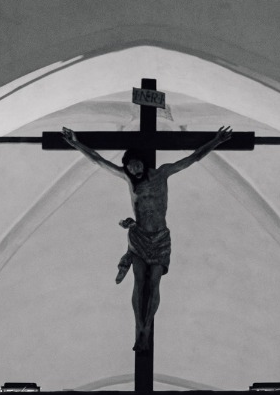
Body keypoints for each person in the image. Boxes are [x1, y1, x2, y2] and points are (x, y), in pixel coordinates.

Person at [60, 122, 233, 349]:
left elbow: (193, 158)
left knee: (154, 281)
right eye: (130, 168)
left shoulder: (163, 173)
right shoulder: (129, 179)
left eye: (136, 165)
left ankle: (147, 325)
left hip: (160, 237)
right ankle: (138, 328)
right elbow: (98, 160)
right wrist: (76, 143)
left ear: (142, 161)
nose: (135, 170)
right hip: (140, 236)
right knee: (140, 281)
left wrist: (216, 141)